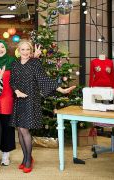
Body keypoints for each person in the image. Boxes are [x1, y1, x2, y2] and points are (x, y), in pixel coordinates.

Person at [9, 39, 76, 173]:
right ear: (18, 50)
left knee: (24, 129)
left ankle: (28, 160)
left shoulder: (35, 62)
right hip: (19, 99)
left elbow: (44, 80)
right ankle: (25, 158)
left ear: (31, 51)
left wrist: (61, 89)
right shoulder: (15, 63)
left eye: (28, 49)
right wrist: (16, 91)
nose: (25, 52)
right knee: (20, 130)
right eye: (23, 49)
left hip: (30, 99)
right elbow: (12, 80)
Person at [0, 40, 16, 166]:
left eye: (2, 47)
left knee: (6, 129)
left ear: (6, 48)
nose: (0, 49)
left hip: (7, 100)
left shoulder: (12, 61)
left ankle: (6, 155)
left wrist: (35, 57)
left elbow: (25, 64)